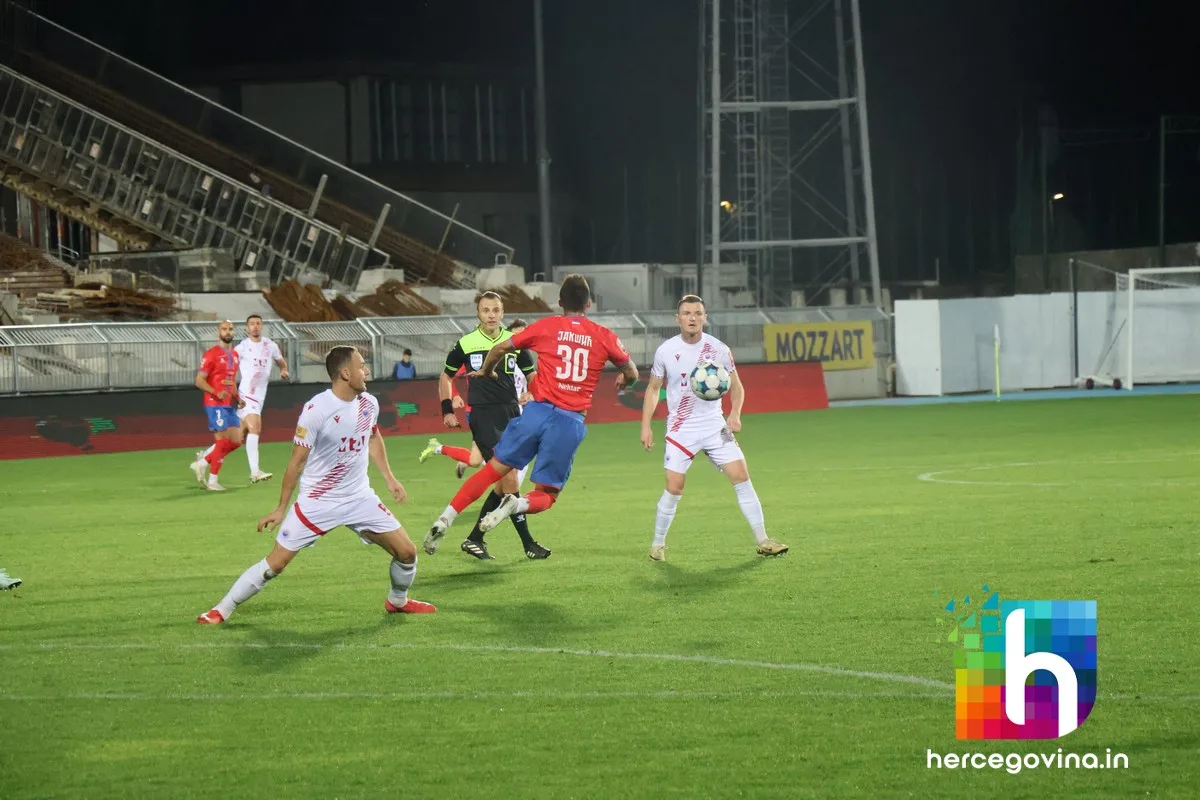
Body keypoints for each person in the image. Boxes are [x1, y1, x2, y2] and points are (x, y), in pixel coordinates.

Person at [196, 346, 436, 624]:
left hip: (359, 498)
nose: (366, 371)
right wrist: (281, 508)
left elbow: (372, 437)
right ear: (345, 373)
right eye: (361, 366)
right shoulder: (316, 410)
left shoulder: (369, 403)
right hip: (318, 501)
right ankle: (222, 609)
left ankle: (397, 601)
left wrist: (390, 478)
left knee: (407, 552)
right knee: (276, 563)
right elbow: (296, 462)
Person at [423, 274, 638, 552]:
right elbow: (631, 372)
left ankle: (446, 517)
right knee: (547, 494)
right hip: (568, 421)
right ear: (589, 303)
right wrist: (625, 380)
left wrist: (487, 370)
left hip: (534, 414)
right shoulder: (604, 336)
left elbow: (501, 348)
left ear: (559, 302)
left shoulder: (546, 326)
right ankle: (516, 505)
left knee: (492, 470)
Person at [639, 295, 788, 561]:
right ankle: (657, 545)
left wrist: (735, 414)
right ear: (678, 318)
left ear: (705, 318)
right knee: (674, 486)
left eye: (698, 313)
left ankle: (763, 540)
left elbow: (737, 386)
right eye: (687, 313)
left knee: (741, 475)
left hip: (714, 424)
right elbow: (653, 389)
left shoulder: (718, 349)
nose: (692, 318)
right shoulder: (665, 351)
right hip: (681, 428)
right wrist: (646, 425)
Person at [420, 297, 546, 560]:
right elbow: (446, 375)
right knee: (508, 479)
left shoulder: (514, 342)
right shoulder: (466, 343)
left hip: (512, 414)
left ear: (502, 313)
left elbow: (531, 374)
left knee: (503, 481)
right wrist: (447, 409)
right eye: (486, 310)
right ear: (478, 313)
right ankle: (528, 544)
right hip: (484, 415)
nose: (491, 314)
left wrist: (536, 394)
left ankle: (473, 538)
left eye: (496, 310)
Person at [421, 319, 534, 480]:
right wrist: (455, 396)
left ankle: (438, 448)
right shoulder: (489, 354)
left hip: (512, 411)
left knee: (476, 460)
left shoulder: (522, 358)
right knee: (509, 458)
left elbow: (530, 381)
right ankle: (511, 492)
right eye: (517, 334)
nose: (520, 338)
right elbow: (449, 375)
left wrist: (530, 393)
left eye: (524, 334)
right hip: (483, 410)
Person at [196, 315, 288, 483]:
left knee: (236, 439)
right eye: (252, 324)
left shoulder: (270, 345)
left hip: (258, 397)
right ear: (247, 328)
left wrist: (283, 369)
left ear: (262, 326)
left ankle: (202, 462)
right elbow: (226, 361)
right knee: (255, 427)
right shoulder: (242, 347)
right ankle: (255, 472)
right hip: (247, 394)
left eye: (258, 323)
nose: (255, 326)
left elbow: (281, 361)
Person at [189, 320, 244, 491]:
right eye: (224, 329)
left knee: (236, 442)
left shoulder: (235, 355)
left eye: (230, 329)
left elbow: (231, 381)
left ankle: (202, 463)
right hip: (214, 404)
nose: (227, 332)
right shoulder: (211, 354)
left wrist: (238, 397)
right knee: (222, 441)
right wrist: (215, 392)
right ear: (218, 332)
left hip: (227, 404)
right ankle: (213, 481)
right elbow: (199, 381)